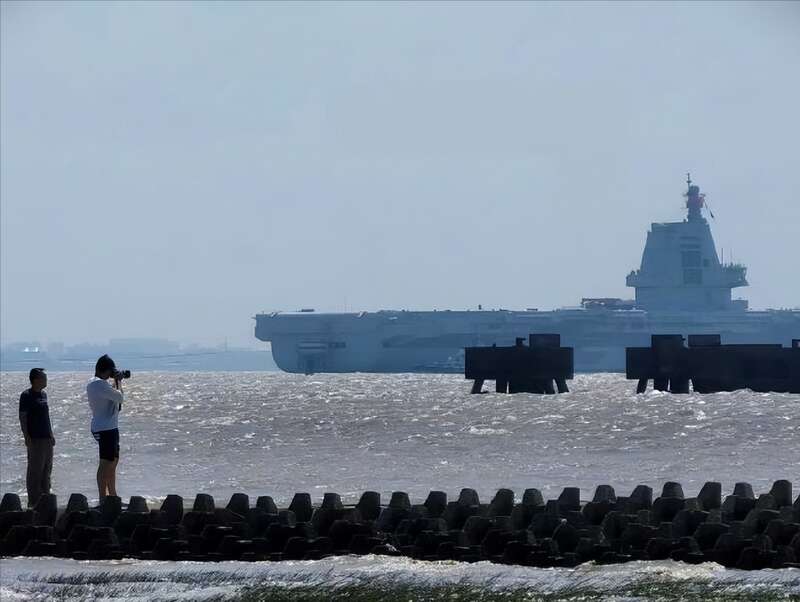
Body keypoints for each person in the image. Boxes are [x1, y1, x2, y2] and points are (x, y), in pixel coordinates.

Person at [87, 354, 124, 502]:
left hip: (110, 427)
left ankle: (113, 496)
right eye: (111, 372)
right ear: (106, 370)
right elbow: (120, 398)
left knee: (113, 461)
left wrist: (116, 382)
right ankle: (103, 498)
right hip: (104, 429)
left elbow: (116, 400)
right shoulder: (98, 384)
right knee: (105, 463)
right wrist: (118, 381)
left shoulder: (100, 384)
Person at [19, 368, 55, 507]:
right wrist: (26, 436)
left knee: (47, 471)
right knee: (35, 472)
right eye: (44, 378)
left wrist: (51, 435)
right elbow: (23, 417)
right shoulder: (26, 395)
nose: (46, 380)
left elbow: (46, 417)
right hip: (35, 439)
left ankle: (46, 501)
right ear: (36, 380)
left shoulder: (43, 395)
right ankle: (33, 503)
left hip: (47, 439)